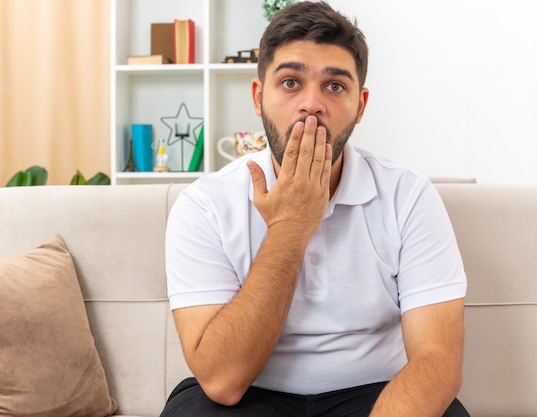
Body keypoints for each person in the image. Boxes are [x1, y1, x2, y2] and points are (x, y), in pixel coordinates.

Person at [161, 1, 470, 416]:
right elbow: (222, 380)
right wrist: (291, 225)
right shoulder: (204, 205)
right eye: (290, 82)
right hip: (250, 395)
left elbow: (438, 362)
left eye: (334, 86)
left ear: (360, 105)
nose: (312, 104)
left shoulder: (408, 195)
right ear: (258, 97)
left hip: (375, 394)